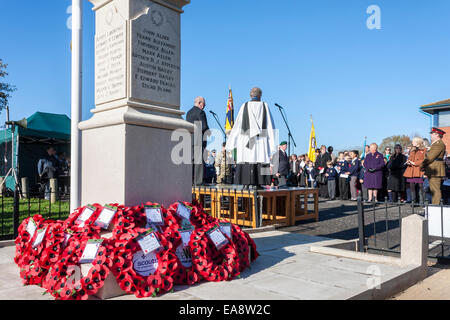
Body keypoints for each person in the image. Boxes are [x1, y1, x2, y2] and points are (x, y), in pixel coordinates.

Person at [226, 87, 277, 189]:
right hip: (260, 139)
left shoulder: (244, 106)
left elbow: (237, 125)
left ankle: (246, 183)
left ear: (250, 95)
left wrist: (232, 142)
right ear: (260, 95)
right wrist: (273, 145)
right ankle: (259, 183)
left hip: (246, 137)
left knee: (247, 159)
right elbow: (270, 125)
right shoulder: (264, 106)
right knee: (260, 158)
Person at [186, 96, 210, 186]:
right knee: (199, 161)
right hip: (198, 139)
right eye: (204, 104)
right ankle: (199, 182)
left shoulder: (188, 113)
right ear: (200, 103)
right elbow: (204, 127)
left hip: (189, 138)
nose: (204, 107)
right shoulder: (200, 112)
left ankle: (190, 181)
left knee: (191, 160)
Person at [421, 127, 447, 204]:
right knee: (433, 189)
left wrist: (421, 165)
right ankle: (434, 206)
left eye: (432, 134)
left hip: (435, 169)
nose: (431, 135)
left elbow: (430, 157)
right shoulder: (435, 144)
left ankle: (435, 207)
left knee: (435, 189)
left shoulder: (438, 144)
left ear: (437, 135)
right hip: (433, 168)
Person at [404, 137, 426, 204]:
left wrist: (415, 163)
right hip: (411, 170)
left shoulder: (424, 150)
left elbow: (424, 160)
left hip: (419, 170)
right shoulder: (412, 150)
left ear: (418, 142)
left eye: (413, 141)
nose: (412, 142)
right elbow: (410, 158)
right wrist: (408, 161)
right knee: (412, 187)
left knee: (421, 187)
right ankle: (413, 201)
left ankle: (422, 202)